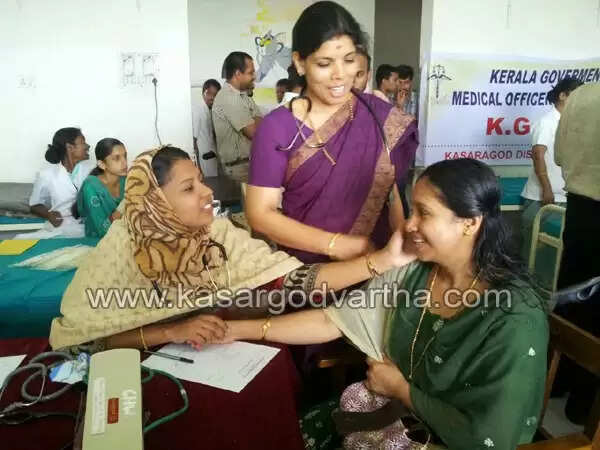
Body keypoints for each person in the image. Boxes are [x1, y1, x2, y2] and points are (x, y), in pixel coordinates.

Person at [224, 158, 548, 450]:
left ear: (469, 222)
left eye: (424, 213)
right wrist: (234, 330)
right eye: (411, 210)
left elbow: (491, 437)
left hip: (447, 440)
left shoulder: (514, 316)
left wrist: (402, 390)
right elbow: (330, 321)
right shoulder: (415, 272)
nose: (408, 224)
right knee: (275, 434)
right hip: (392, 417)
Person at [49, 146, 412, 351]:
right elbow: (88, 339)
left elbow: (291, 282)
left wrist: (380, 262)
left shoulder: (216, 233)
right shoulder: (123, 248)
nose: (207, 192)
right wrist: (173, 331)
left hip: (221, 357)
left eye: (201, 181)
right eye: (189, 188)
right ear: (155, 203)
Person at [246, 1, 418, 264]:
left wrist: (399, 252)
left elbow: (390, 191)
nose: (340, 75)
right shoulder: (277, 128)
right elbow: (260, 213)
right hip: (311, 270)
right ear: (300, 63)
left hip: (378, 260)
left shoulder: (379, 116)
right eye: (325, 63)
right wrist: (334, 245)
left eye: (349, 60)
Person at [553, 82, 600, 425]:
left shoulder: (582, 94)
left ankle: (555, 383)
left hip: (580, 212)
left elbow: (558, 156)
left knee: (571, 299)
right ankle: (583, 406)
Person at [520, 77, 583, 259]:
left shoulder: (570, 122)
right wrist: (546, 189)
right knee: (533, 248)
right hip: (543, 197)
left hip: (565, 195)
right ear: (562, 95)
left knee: (554, 250)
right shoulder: (547, 122)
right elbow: (538, 155)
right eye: (576, 95)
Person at [25, 127, 94, 239]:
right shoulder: (46, 174)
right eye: (83, 142)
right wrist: (49, 215)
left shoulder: (92, 171)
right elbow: (35, 205)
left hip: (88, 226)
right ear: (70, 147)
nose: (87, 146)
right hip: (61, 227)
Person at [212, 52, 262, 183]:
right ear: (238, 74)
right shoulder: (228, 97)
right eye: (251, 73)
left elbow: (261, 121)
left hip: (248, 165)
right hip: (238, 169)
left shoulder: (243, 96)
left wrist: (256, 122)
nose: (254, 76)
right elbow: (254, 132)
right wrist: (255, 121)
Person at [76, 138, 128, 238]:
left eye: (125, 156)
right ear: (102, 164)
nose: (125, 163)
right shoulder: (91, 186)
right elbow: (102, 231)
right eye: (117, 158)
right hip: (98, 241)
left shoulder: (127, 180)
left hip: (124, 236)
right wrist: (123, 206)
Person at [192, 78, 221, 176]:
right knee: (209, 182)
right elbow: (194, 139)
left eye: (216, 96)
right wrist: (197, 165)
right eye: (212, 96)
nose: (214, 100)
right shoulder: (198, 110)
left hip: (212, 155)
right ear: (205, 93)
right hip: (205, 157)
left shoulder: (208, 109)